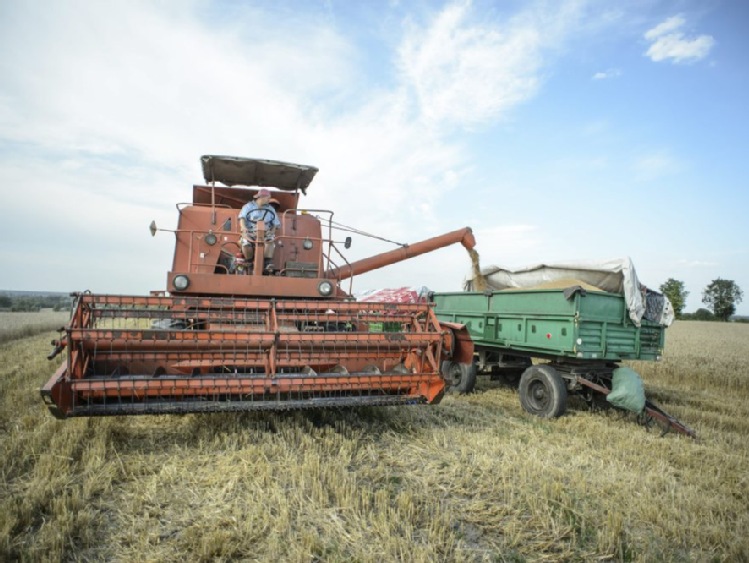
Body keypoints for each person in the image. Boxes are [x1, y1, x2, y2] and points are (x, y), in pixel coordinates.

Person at [238, 188, 281, 273]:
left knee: (270, 241)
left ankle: (266, 263)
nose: (269, 200)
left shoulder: (271, 209)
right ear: (261, 197)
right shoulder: (248, 206)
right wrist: (243, 227)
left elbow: (276, 224)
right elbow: (242, 218)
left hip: (266, 232)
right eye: (268, 198)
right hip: (250, 231)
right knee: (245, 243)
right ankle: (249, 262)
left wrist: (272, 231)